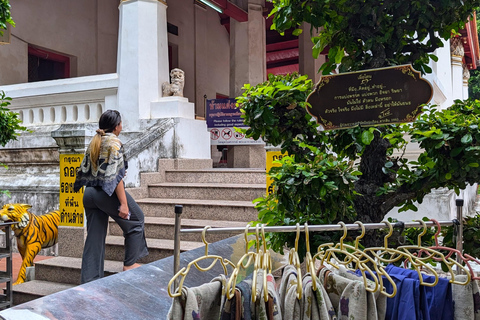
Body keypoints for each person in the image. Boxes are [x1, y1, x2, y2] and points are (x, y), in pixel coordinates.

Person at [74, 109, 148, 284]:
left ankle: (90, 281)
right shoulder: (114, 143)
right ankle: (130, 264)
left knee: (94, 238)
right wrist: (123, 203)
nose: (122, 127)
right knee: (136, 221)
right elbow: (116, 177)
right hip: (104, 193)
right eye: (121, 123)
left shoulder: (95, 141)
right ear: (117, 126)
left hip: (89, 194)